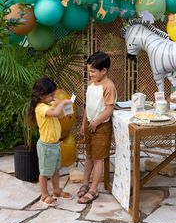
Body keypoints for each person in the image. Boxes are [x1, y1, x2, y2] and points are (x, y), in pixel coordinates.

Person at [77, 51, 117, 204]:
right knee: (88, 155)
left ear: (104, 71)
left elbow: (109, 109)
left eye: (93, 71)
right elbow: (88, 105)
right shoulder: (92, 84)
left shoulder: (109, 86)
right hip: (89, 124)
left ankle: (94, 189)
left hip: (101, 127)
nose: (91, 74)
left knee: (98, 158)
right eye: (89, 71)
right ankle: (85, 183)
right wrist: (84, 123)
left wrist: (96, 122)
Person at [28, 77, 73, 207]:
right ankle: (44, 195)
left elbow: (58, 115)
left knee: (55, 170)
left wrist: (66, 109)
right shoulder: (40, 107)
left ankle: (56, 190)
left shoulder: (48, 104)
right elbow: (54, 113)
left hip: (55, 145)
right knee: (44, 172)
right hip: (46, 147)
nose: (54, 97)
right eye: (51, 95)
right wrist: (62, 103)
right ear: (41, 95)